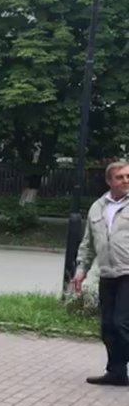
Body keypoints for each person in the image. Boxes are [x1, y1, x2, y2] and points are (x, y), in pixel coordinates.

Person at [74, 161, 129, 386]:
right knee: (107, 326)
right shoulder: (97, 207)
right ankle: (116, 373)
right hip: (107, 274)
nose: (126, 181)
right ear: (109, 181)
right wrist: (80, 271)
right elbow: (88, 244)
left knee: (121, 323)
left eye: (128, 176)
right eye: (120, 177)